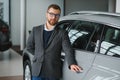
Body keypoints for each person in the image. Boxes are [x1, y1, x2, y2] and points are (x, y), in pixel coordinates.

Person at [26, 4, 83, 80]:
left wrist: (72, 63)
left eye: (57, 15)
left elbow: (68, 49)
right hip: (37, 71)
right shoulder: (36, 30)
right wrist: (39, 55)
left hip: (52, 72)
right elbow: (29, 47)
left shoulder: (62, 33)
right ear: (46, 14)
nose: (54, 17)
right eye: (51, 14)